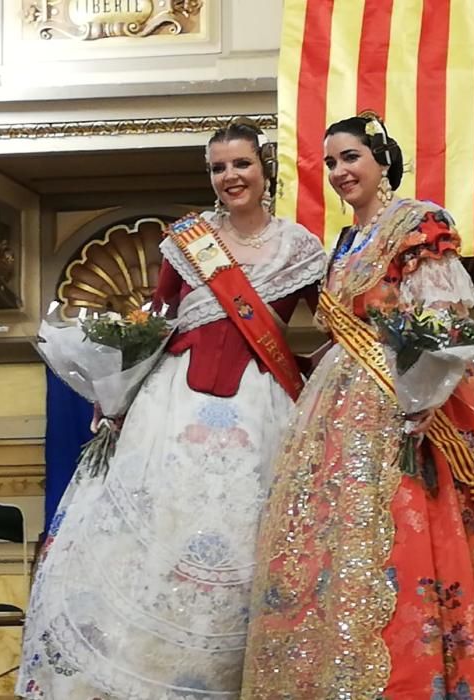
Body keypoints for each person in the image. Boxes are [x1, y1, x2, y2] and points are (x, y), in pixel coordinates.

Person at [241, 113, 474, 699]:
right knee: (337, 542)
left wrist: (425, 393)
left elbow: (443, 319)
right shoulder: (345, 242)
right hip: (341, 405)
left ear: (381, 160)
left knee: (421, 534)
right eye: (329, 163)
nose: (339, 172)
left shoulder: (417, 224)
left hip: (410, 406)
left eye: (350, 157)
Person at [17, 118, 327, 699]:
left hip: (262, 410)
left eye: (241, 164)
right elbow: (155, 323)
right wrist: (115, 389)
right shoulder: (186, 242)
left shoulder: (300, 248)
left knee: (246, 536)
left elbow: (335, 325)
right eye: (218, 168)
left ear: (266, 170)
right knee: (161, 531)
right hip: (172, 405)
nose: (230, 177)